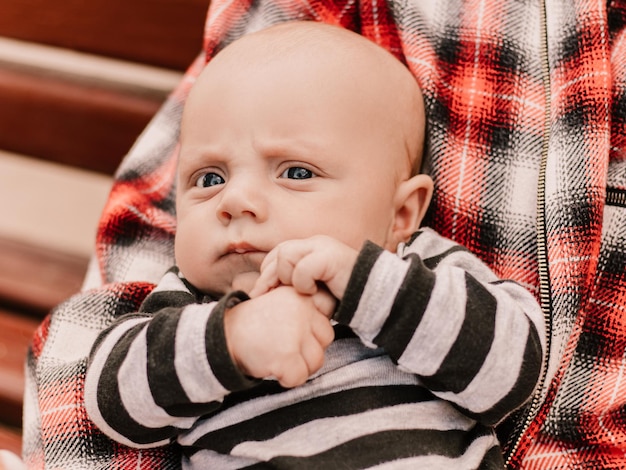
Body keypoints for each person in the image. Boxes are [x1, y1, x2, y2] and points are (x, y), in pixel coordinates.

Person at [21, 1, 626, 469]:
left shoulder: (423, 269)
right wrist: (230, 343)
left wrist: (368, 285)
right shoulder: (192, 303)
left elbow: (513, 376)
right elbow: (110, 405)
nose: (237, 201)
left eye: (296, 172)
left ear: (402, 213)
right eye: (209, 178)